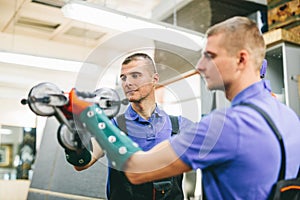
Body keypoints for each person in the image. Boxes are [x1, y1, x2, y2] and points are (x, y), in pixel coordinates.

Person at [64, 16, 300, 199]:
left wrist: (90, 114)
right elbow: (82, 161)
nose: (199, 65)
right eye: (124, 77)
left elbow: (137, 170)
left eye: (210, 56)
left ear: (241, 59)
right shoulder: (288, 118)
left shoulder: (223, 126)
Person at [66, 53, 189, 200]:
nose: (127, 83)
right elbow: (82, 163)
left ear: (154, 79)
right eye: (123, 78)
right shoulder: (113, 126)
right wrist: (73, 131)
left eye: (135, 76)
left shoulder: (179, 126)